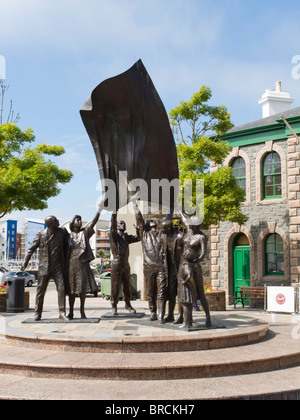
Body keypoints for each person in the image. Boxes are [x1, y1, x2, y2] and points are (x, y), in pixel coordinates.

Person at [21, 216, 69, 321]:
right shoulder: (41, 234)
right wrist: (25, 262)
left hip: (58, 267)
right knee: (40, 291)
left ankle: (62, 312)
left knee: (61, 289)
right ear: (50, 223)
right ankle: (37, 313)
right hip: (44, 267)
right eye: (56, 220)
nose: (58, 221)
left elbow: (69, 244)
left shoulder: (62, 232)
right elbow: (31, 249)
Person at [131, 194, 167, 323]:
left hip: (161, 267)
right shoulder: (144, 234)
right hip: (149, 267)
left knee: (162, 291)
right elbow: (139, 218)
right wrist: (134, 204)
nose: (154, 223)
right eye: (151, 223)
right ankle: (153, 312)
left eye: (154, 223)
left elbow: (168, 219)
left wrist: (172, 207)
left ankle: (161, 314)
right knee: (151, 292)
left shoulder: (162, 234)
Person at [176, 213, 211, 329]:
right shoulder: (188, 232)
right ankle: (184, 318)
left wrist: (195, 262)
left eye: (195, 225)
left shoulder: (201, 237)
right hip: (183, 264)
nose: (193, 227)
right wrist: (179, 209)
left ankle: (208, 316)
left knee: (200, 292)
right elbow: (184, 219)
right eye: (192, 225)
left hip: (193, 266)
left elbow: (203, 253)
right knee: (183, 292)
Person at [110, 214, 140, 316]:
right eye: (120, 223)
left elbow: (138, 238)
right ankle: (114, 305)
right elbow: (112, 225)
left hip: (125, 264)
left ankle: (128, 304)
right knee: (115, 286)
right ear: (117, 226)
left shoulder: (126, 237)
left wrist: (138, 230)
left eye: (124, 223)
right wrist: (114, 212)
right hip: (116, 263)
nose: (123, 224)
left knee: (127, 286)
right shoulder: (114, 236)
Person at [161, 219, 182, 323]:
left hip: (179, 268)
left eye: (163, 228)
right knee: (171, 293)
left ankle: (182, 316)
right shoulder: (164, 236)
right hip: (169, 269)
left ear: (169, 228)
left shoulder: (180, 237)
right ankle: (170, 315)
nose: (162, 230)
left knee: (181, 293)